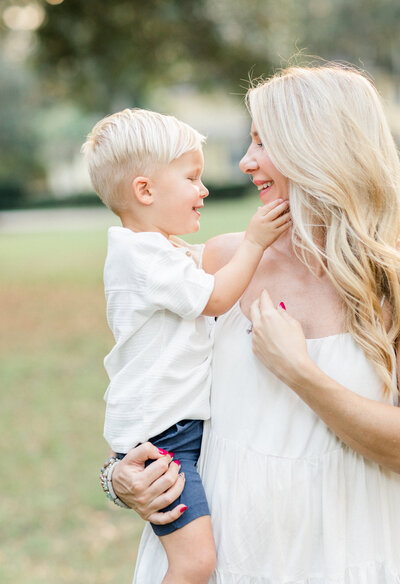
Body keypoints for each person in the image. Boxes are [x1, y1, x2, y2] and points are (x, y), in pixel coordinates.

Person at [108, 64, 400, 583]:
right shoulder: (220, 263)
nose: (245, 162)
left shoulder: (391, 285)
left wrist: (300, 372)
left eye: (263, 142)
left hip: (350, 554)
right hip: (233, 557)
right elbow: (145, 378)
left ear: (317, 148)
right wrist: (118, 477)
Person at [82, 108, 290, 584]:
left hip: (173, 427)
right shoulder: (143, 256)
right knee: (194, 562)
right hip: (166, 436)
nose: (204, 190)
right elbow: (215, 299)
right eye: (192, 178)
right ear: (145, 191)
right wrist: (256, 243)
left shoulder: (160, 250)